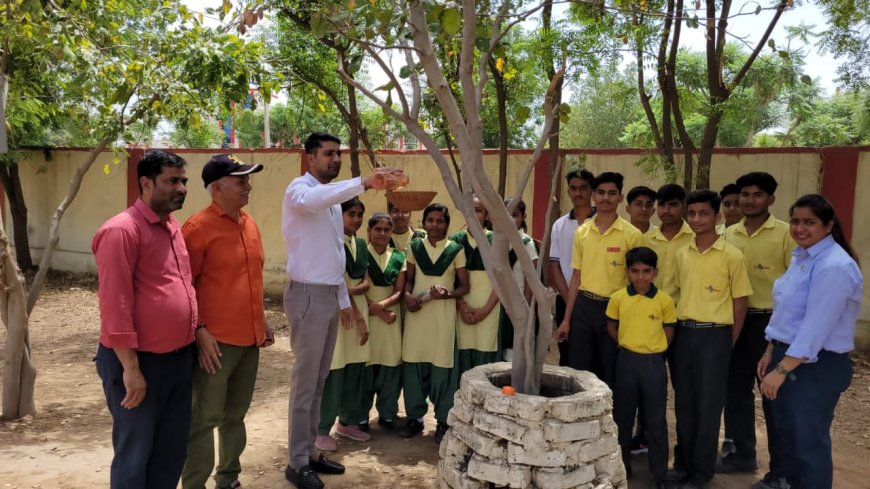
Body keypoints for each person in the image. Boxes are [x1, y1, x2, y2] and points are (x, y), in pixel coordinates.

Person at [282, 132, 405, 489]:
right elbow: (315, 201)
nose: (334, 159)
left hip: (328, 296)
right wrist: (365, 182)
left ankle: (311, 453)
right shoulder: (299, 191)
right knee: (305, 385)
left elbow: (336, 256)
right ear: (309, 158)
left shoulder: (333, 203)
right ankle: (296, 462)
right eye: (328, 154)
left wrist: (342, 302)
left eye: (338, 154)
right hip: (306, 295)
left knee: (319, 381)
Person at [92, 150, 198, 488]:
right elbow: (115, 304)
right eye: (172, 181)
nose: (181, 188)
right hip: (138, 364)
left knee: (170, 452)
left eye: (183, 181)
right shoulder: (121, 231)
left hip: (178, 360)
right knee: (136, 453)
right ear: (145, 183)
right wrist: (131, 369)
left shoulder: (172, 226)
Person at [181, 154, 274, 489]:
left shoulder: (249, 223)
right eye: (241, 181)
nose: (248, 187)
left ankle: (228, 478)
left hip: (249, 341)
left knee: (235, 416)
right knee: (204, 419)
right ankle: (194, 484)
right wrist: (198, 330)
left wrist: (260, 321)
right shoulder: (197, 227)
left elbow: (249, 279)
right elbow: (183, 286)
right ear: (217, 187)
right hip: (214, 344)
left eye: (248, 181)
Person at [756, 194, 862, 489]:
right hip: (789, 358)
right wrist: (770, 351)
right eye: (795, 221)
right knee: (787, 438)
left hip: (815, 367)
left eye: (809, 222)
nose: (800, 228)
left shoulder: (834, 266)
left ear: (828, 226)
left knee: (808, 444)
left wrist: (782, 370)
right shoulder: (803, 257)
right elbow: (787, 314)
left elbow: (815, 327)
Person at [665, 189, 753, 489]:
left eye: (704, 213)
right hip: (684, 334)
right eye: (692, 214)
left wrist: (728, 342)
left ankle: (702, 473)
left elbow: (740, 304)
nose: (697, 219)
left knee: (708, 406)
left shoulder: (732, 256)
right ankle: (683, 464)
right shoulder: (681, 253)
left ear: (717, 216)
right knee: (684, 404)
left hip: (716, 337)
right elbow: (672, 293)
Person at [718, 172, 793, 475]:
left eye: (757, 195)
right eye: (745, 195)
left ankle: (781, 469)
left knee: (773, 395)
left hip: (771, 322)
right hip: (736, 320)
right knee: (734, 390)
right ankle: (741, 454)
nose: (749, 201)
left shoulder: (786, 235)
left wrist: (782, 331)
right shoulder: (728, 234)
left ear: (770, 200)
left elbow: (794, 285)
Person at [556, 171, 646, 388]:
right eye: (601, 192)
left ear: (620, 198)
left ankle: (611, 421)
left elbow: (639, 282)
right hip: (584, 307)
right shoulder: (583, 232)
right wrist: (567, 320)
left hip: (616, 309)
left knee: (611, 372)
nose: (606, 198)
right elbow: (576, 276)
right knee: (579, 371)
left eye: (612, 193)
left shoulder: (632, 235)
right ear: (594, 195)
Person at [399, 203, 469, 443]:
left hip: (443, 316)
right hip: (418, 314)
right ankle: (414, 418)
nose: (435, 225)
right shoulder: (414, 247)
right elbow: (408, 280)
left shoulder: (456, 249)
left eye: (440, 221)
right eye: (430, 220)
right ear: (423, 222)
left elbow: (464, 286)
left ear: (447, 224)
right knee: (414, 364)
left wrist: (447, 294)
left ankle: (442, 421)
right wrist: (408, 297)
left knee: (442, 368)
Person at [606, 247, 675, 488]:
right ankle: (621, 467)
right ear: (627, 272)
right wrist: (629, 344)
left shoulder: (664, 301)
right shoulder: (618, 298)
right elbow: (612, 327)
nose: (641, 277)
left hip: (654, 364)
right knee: (622, 416)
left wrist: (652, 348)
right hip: (626, 361)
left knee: (656, 419)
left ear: (655, 272)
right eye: (635, 271)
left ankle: (660, 474)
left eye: (646, 271)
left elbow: (669, 333)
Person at [317, 198, 372, 451]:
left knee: (354, 367)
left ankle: (347, 422)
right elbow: (336, 282)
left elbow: (365, 282)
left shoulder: (360, 244)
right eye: (351, 214)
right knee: (335, 368)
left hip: (356, 309)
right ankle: (321, 428)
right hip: (341, 314)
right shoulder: (330, 242)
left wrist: (349, 290)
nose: (357, 219)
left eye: (360, 214)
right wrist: (356, 311)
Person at [363, 213, 407, 433]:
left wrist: (380, 308)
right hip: (367, 317)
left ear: (391, 232)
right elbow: (356, 284)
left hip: (390, 318)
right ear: (369, 230)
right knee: (365, 367)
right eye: (377, 229)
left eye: (386, 230)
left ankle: (387, 414)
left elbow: (399, 291)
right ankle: (359, 416)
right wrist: (376, 310)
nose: (381, 233)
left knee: (390, 367)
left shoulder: (399, 257)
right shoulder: (360, 253)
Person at [548, 167, 595, 367]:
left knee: (595, 357)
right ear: (568, 191)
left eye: (583, 188)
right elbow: (554, 265)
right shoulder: (560, 225)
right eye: (573, 188)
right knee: (568, 356)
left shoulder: (602, 223)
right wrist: (570, 301)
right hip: (565, 298)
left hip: (596, 302)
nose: (578, 193)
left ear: (592, 191)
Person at [452, 196, 501, 374]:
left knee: (486, 370)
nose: (473, 214)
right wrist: (462, 306)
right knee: (462, 367)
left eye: (478, 210)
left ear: (487, 216)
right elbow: (450, 280)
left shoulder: (497, 241)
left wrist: (484, 311)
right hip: (461, 312)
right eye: (470, 210)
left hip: (490, 312)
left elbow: (502, 282)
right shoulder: (455, 241)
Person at [501, 198, 539, 361]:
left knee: (515, 350)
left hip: (519, 305)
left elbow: (531, 280)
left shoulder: (527, 243)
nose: (510, 219)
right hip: (499, 304)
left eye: (515, 215)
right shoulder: (498, 240)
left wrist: (525, 308)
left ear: (524, 216)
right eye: (507, 214)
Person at [647, 184, 695, 288]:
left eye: (673, 205)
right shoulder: (646, 240)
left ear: (684, 206)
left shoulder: (695, 239)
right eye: (661, 205)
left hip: (683, 303)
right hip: (650, 302)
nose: (666, 211)